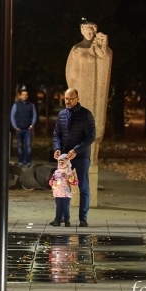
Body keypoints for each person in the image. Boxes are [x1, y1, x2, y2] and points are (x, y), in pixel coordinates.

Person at [52, 88, 96, 227]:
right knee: (62, 187)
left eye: (71, 99)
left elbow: (91, 136)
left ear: (77, 98)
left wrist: (77, 150)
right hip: (65, 157)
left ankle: (83, 218)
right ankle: (62, 217)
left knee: (83, 187)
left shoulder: (86, 115)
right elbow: (56, 134)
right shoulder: (62, 114)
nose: (68, 101)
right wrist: (57, 148)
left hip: (81, 155)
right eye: (66, 99)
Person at [49, 153, 79, 227]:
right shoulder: (56, 172)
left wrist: (72, 181)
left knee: (66, 207)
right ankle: (57, 220)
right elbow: (51, 180)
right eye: (59, 162)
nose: (61, 164)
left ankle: (67, 220)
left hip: (67, 193)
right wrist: (53, 183)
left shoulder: (70, 172)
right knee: (58, 207)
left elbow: (75, 182)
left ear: (67, 163)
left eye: (63, 162)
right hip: (57, 192)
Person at [11, 88, 37, 168]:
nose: (25, 96)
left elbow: (34, 115)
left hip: (27, 129)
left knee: (28, 145)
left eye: (26, 95)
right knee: (20, 145)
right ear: (20, 96)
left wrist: (32, 125)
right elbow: (12, 116)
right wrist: (15, 126)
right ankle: (20, 161)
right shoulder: (16, 105)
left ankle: (28, 162)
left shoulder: (31, 105)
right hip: (19, 129)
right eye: (23, 95)